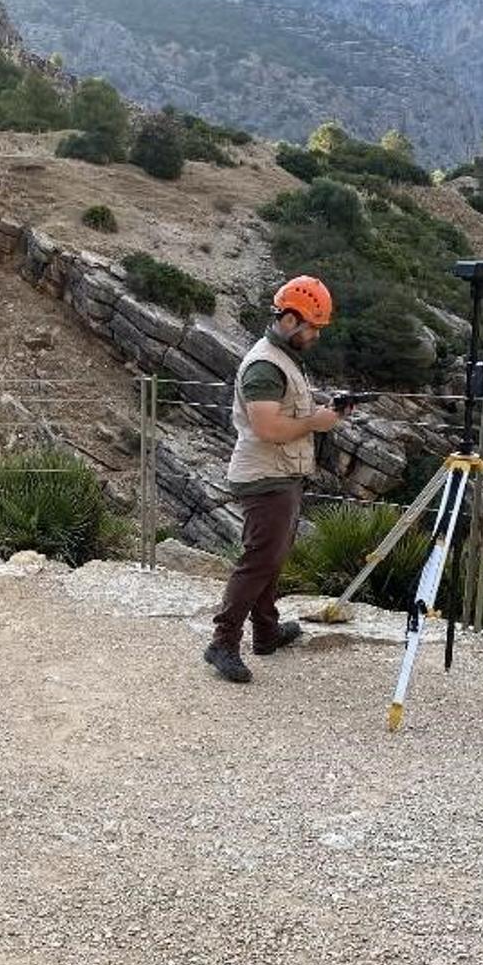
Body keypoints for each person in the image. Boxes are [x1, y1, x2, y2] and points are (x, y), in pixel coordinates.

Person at [205, 275, 340, 684]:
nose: (316, 335)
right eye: (312, 326)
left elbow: (285, 412)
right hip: (266, 476)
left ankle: (266, 631)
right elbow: (267, 428)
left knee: (271, 558)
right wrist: (316, 422)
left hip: (280, 473)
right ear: (289, 320)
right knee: (259, 560)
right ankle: (223, 642)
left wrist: (322, 411)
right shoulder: (265, 365)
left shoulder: (284, 358)